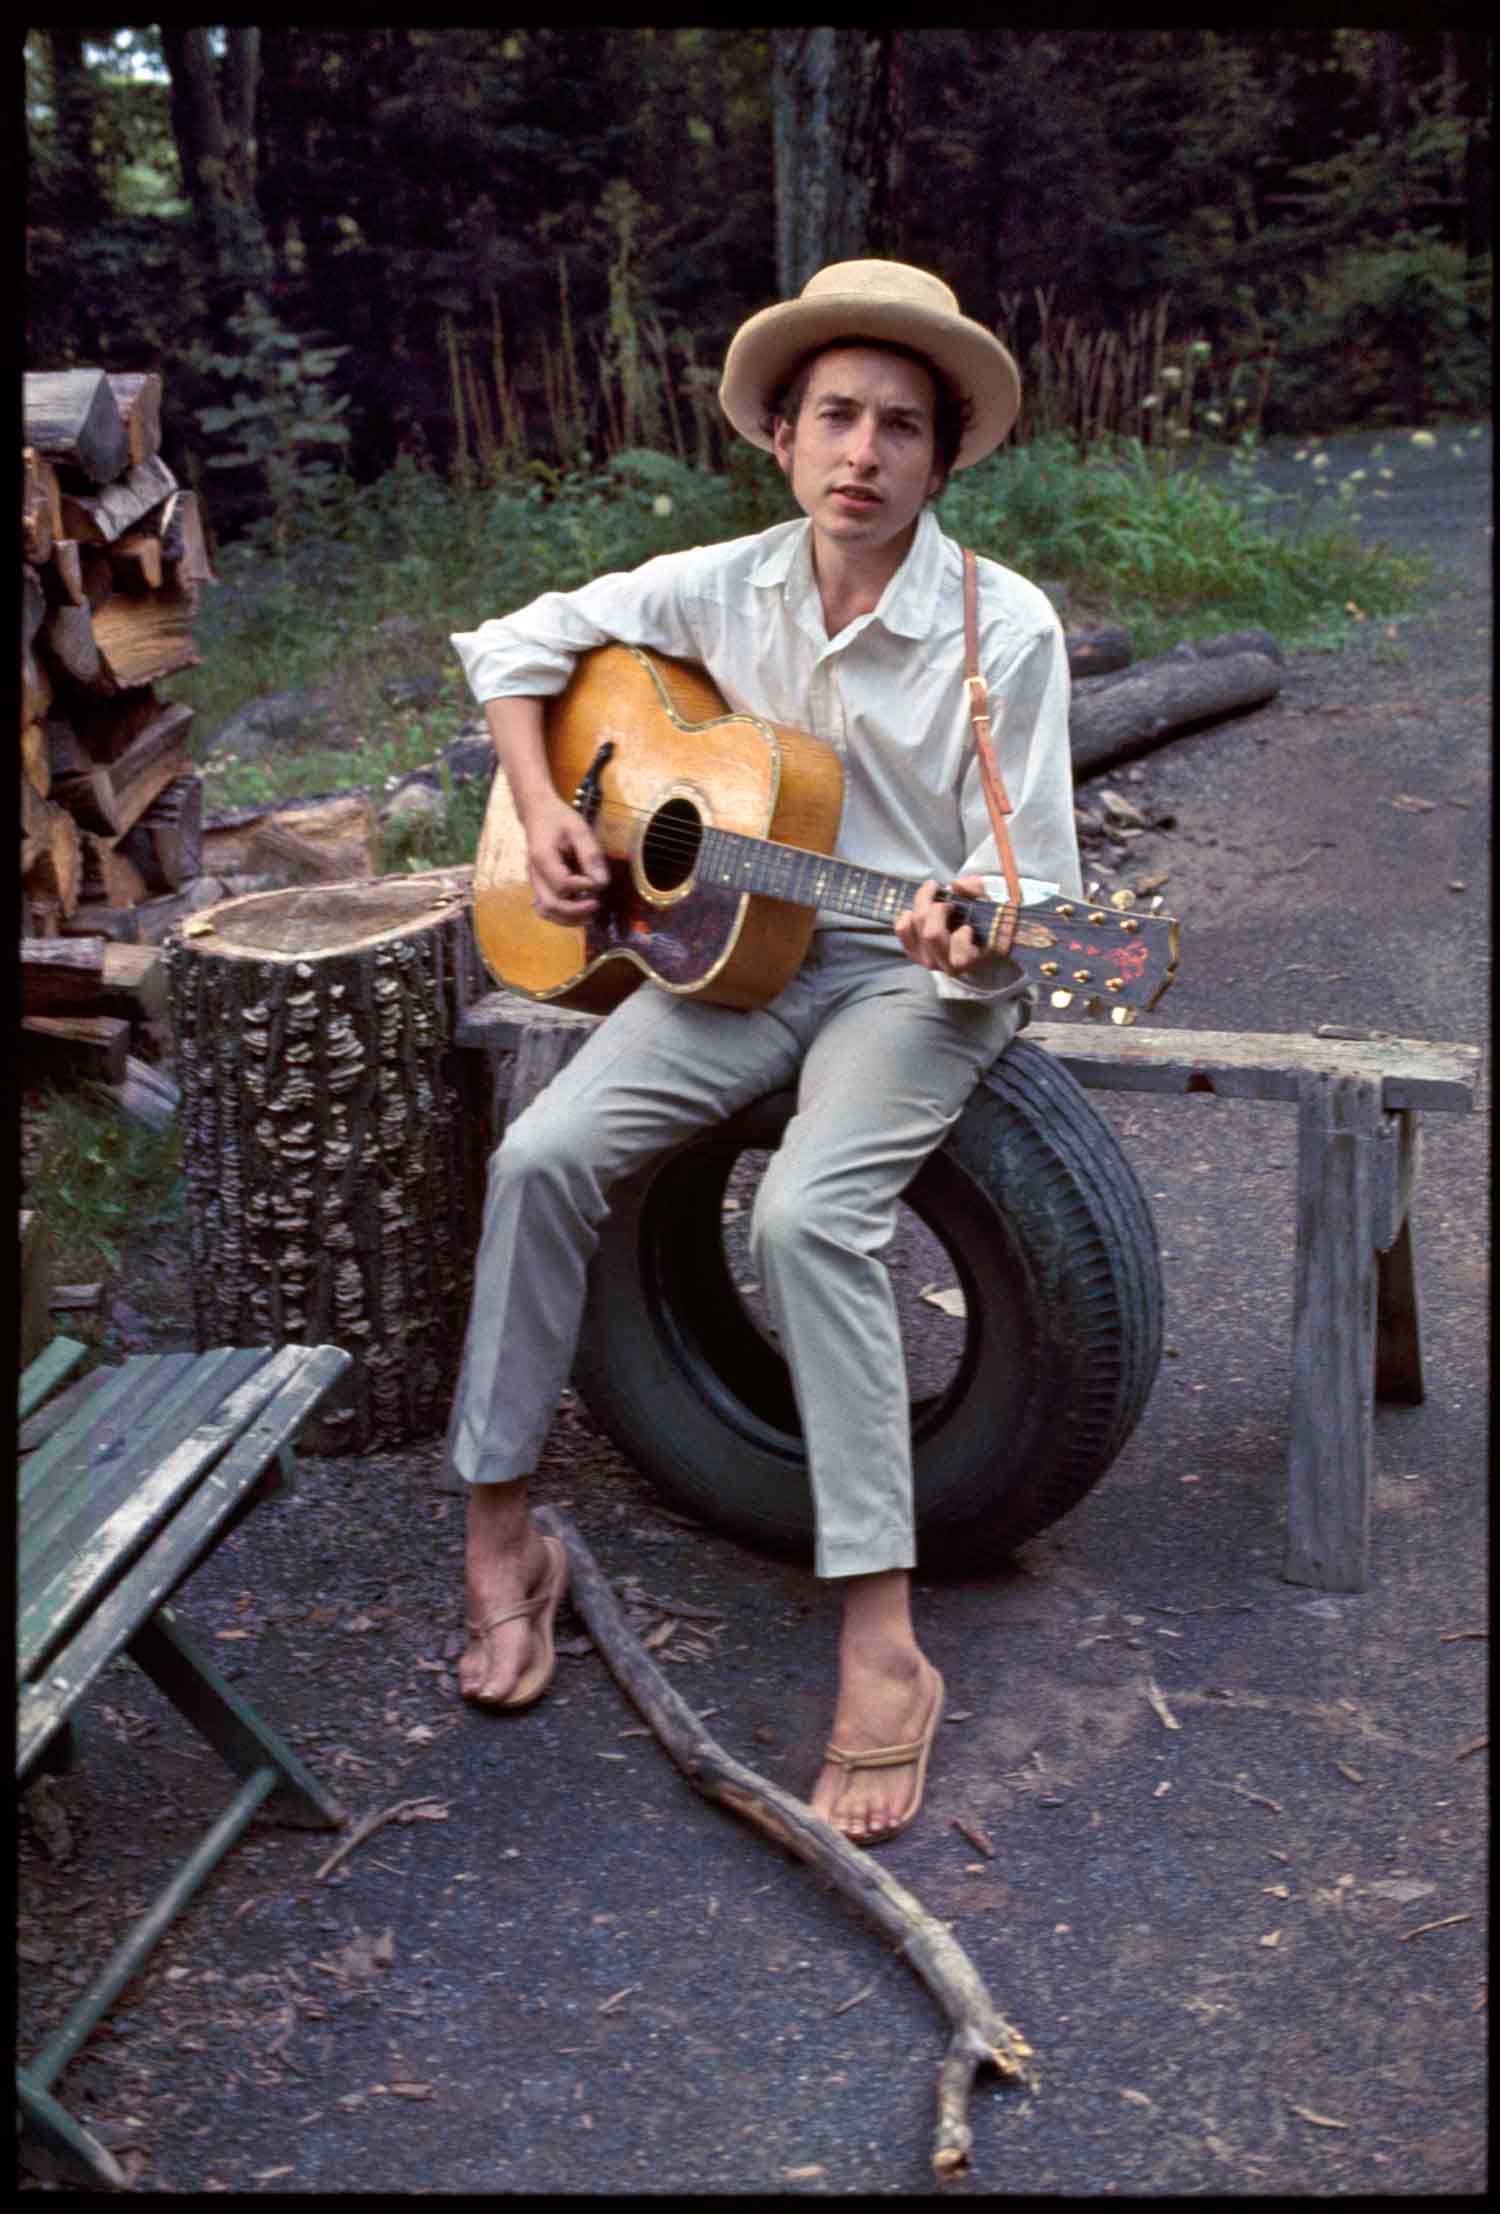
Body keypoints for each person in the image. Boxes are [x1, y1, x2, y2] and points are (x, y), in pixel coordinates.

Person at [446, 259, 1082, 1846]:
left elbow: (1040, 896)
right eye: (835, 418)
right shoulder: (719, 585)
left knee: (805, 1216)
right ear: (781, 439)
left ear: (940, 459)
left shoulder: (1004, 628)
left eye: (900, 426)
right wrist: (544, 810)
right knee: (538, 1156)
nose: (863, 452)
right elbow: (510, 645)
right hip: (739, 952)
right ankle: (502, 1528)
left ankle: (882, 1633)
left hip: (909, 978)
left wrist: (975, 924)